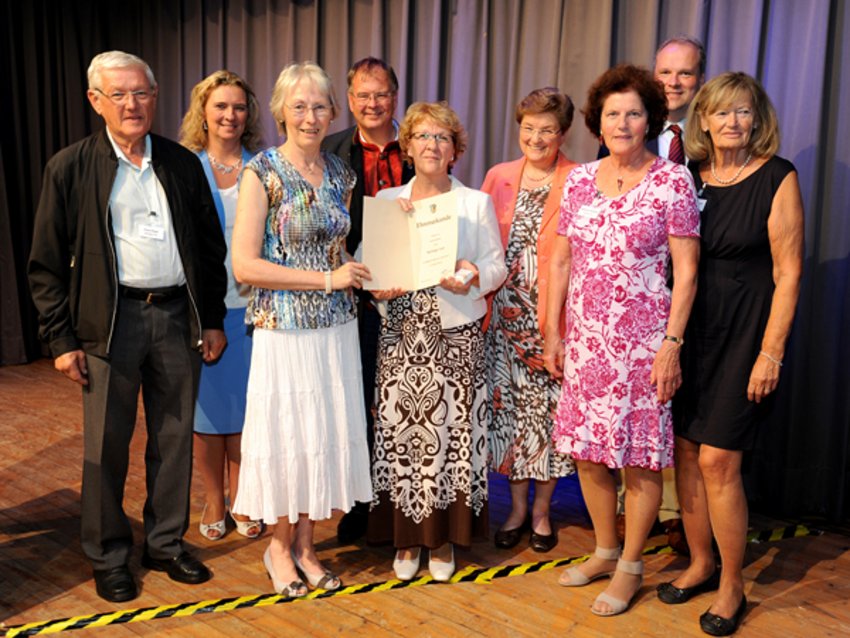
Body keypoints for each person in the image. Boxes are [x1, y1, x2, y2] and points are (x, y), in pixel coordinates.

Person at [28, 51, 228, 603]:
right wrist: (61, 340)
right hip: (107, 327)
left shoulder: (181, 164)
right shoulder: (69, 167)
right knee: (106, 446)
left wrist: (210, 318)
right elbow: (45, 264)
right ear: (96, 102)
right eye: (118, 94)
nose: (132, 104)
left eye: (141, 93)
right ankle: (108, 555)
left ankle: (165, 545)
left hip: (174, 318)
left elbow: (211, 250)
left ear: (155, 97)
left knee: (173, 439)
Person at [543, 64, 700, 617]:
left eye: (634, 112)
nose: (623, 122)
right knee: (589, 455)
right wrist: (553, 331)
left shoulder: (672, 180)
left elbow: (687, 271)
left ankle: (632, 563)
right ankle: (605, 549)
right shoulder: (580, 180)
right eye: (613, 113)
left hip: (642, 347)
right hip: (586, 343)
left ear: (649, 119)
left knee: (638, 459)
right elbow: (560, 260)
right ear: (598, 120)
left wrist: (672, 344)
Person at [660, 72, 804, 636]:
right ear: (703, 121)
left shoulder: (777, 176)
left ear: (757, 118)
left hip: (747, 333)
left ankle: (731, 584)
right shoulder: (686, 177)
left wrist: (772, 352)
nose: (732, 122)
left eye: (743, 112)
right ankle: (699, 563)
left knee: (720, 460)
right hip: (690, 334)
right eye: (721, 113)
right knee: (688, 454)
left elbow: (789, 273)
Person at [230, 62, 373, 597]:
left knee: (321, 436)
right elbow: (244, 265)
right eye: (299, 106)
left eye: (319, 106)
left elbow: (344, 251)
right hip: (284, 329)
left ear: (334, 112)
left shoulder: (341, 173)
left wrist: (388, 254)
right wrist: (327, 278)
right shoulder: (261, 171)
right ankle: (276, 548)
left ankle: (308, 547)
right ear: (280, 112)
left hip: (334, 328)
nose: (310, 117)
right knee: (289, 438)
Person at [366, 102, 507, 582]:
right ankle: (407, 541)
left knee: (453, 437)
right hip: (404, 333)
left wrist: (472, 275)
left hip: (457, 333)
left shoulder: (474, 203)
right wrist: (376, 286)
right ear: (407, 147)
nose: (432, 145)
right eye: (423, 136)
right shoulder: (386, 200)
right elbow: (368, 263)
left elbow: (496, 264)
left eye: (442, 138)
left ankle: (443, 538)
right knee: (402, 437)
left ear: (455, 150)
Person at [480, 88, 578, 553]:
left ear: (563, 133)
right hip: (500, 323)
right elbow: (475, 241)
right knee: (511, 421)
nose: (536, 138)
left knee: (548, 420)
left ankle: (541, 513)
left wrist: (556, 328)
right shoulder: (498, 176)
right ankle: (516, 510)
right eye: (528, 128)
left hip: (552, 322)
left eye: (547, 129)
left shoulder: (580, 180)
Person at [321, 57, 414, 544]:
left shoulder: (421, 143)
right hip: (354, 302)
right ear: (349, 101)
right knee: (357, 404)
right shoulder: (332, 151)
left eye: (381, 94)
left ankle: (405, 501)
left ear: (395, 97)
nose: (372, 103)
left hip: (417, 297)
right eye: (362, 95)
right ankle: (361, 502)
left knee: (407, 403)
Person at [179, 70, 264, 542]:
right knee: (208, 414)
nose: (230, 115)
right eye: (220, 107)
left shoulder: (264, 166)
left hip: (255, 309)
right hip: (203, 310)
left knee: (249, 412)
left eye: (238, 107)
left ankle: (246, 497)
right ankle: (214, 498)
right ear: (204, 113)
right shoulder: (184, 167)